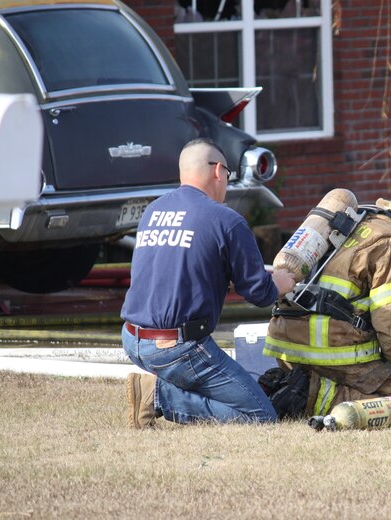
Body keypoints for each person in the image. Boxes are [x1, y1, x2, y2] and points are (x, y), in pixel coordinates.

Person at [122, 138, 295, 428]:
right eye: (228, 173)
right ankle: (159, 396)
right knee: (260, 415)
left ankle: (159, 386)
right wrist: (279, 283)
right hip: (178, 348)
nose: (227, 181)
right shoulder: (227, 221)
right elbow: (259, 292)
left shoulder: (153, 211)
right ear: (217, 171)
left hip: (132, 339)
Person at [262, 187, 391, 418]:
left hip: (285, 344)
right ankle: (308, 398)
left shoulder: (361, 219)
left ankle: (289, 384)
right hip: (327, 351)